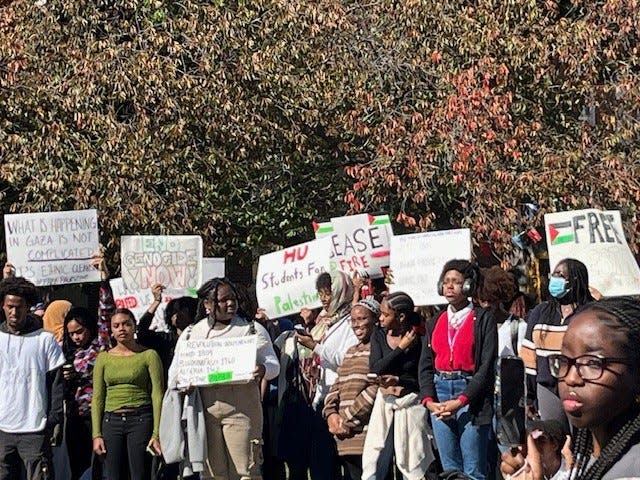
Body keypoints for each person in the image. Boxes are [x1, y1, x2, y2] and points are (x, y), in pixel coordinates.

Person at [501, 297, 640, 479]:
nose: (571, 378)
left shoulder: (631, 470)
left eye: (592, 363)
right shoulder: (586, 457)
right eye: (564, 360)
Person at [168, 277, 279, 480]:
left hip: (242, 411)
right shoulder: (192, 334)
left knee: (245, 472)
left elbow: (274, 366)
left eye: (233, 299)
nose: (231, 304)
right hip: (206, 413)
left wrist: (263, 369)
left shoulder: (250, 329)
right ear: (208, 304)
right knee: (212, 475)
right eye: (224, 300)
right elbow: (174, 377)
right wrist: (184, 383)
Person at [419, 259, 497, 480]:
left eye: (456, 281)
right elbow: (425, 366)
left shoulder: (483, 318)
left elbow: (485, 367)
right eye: (445, 282)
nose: (449, 286)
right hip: (440, 396)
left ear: (469, 286)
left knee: (473, 470)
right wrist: (429, 400)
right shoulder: (434, 321)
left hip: (470, 397)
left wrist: (461, 400)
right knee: (449, 470)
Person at [362, 291, 434, 480]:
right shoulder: (378, 335)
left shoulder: (418, 338)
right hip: (384, 404)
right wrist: (400, 348)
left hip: (410, 404)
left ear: (400, 317)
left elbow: (421, 377)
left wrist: (399, 380)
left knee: (411, 458)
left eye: (386, 314)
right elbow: (375, 368)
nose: (381, 318)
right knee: (377, 459)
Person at [294, 271, 358, 480]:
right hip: (322, 399)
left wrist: (316, 347)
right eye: (320, 293)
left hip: (343, 399)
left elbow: (348, 360)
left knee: (347, 465)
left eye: (328, 293)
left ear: (340, 292)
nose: (323, 299)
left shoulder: (352, 323)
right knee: (322, 464)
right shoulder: (326, 322)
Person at [0, 276, 65, 480]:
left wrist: (53, 420)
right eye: (10, 306)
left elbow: (56, 384)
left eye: (19, 307)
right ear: (3, 306)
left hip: (35, 428)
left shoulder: (45, 340)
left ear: (27, 306)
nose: (14, 312)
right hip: (2, 428)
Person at [91, 308, 164, 480]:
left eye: (126, 324)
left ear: (135, 327)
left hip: (140, 419)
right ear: (111, 330)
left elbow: (157, 394)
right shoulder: (103, 358)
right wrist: (96, 435)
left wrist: (157, 433)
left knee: (140, 474)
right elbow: (97, 398)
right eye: (116, 325)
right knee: (113, 475)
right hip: (111, 422)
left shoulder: (148, 355)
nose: (122, 328)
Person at [520, 258, 594, 424]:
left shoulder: (590, 312)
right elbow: (529, 358)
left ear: (574, 281)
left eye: (561, 275)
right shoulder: (540, 312)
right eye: (554, 274)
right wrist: (528, 396)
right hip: (546, 388)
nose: (555, 279)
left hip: (579, 386)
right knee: (553, 438)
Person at [323, 298, 380, 480]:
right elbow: (337, 385)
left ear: (375, 320)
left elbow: (374, 388)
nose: (357, 325)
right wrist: (331, 413)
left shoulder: (378, 350)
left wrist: (346, 420)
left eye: (362, 319)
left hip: (366, 434)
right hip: (344, 438)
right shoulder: (351, 351)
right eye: (353, 320)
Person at [137, 283, 198, 379]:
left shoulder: (200, 337)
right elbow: (141, 332)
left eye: (183, 311)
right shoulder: (165, 340)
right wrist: (156, 301)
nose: (177, 316)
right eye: (173, 312)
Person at [477, 266, 527, 358]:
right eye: (483, 300)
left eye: (491, 300)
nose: (487, 305)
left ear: (499, 299)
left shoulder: (517, 327)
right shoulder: (475, 327)